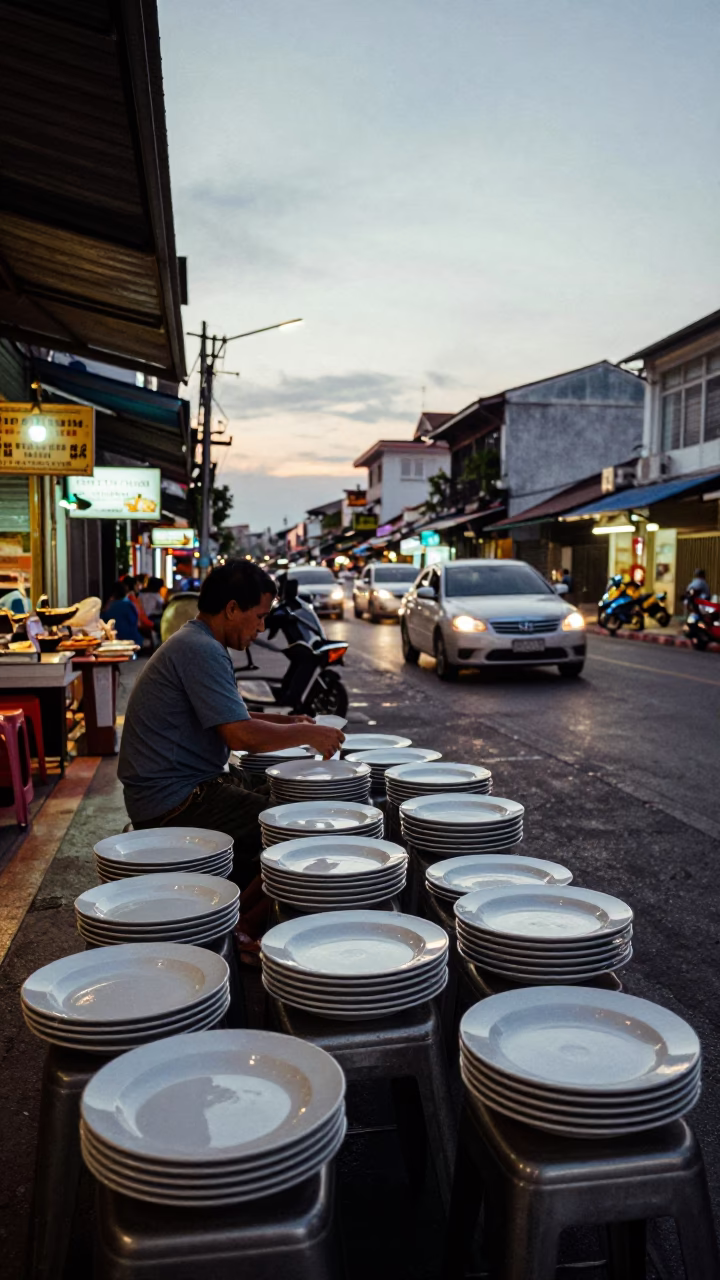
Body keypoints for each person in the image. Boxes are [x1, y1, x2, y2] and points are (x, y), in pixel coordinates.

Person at [117, 559, 344, 889]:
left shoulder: (196, 641)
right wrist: (308, 733)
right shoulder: (201, 649)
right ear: (233, 608)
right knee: (291, 829)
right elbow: (240, 735)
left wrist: (290, 721)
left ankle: (243, 902)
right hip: (173, 802)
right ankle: (248, 925)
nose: (262, 628)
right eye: (260, 616)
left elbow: (231, 715)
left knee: (281, 789)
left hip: (182, 789)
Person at [101, 581, 144, 645]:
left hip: (114, 640)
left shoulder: (108, 606)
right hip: (132, 640)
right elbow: (138, 623)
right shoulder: (129, 605)